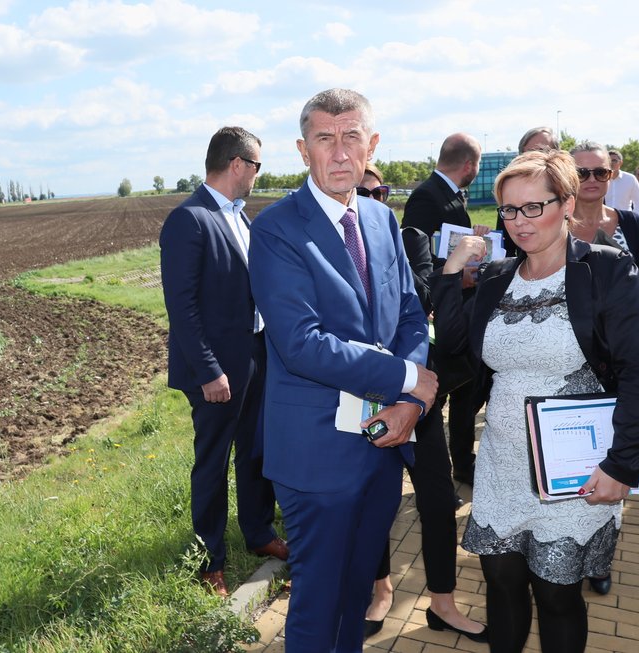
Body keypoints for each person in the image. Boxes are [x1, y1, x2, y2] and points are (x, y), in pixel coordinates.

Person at [430, 149, 639, 653]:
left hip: (576, 471)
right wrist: (450, 273)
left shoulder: (605, 272)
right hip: (501, 465)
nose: (519, 221)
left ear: (566, 202)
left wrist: (623, 464)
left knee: (557, 597)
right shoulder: (495, 278)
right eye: (510, 210)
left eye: (534, 206)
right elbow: (453, 346)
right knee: (502, 587)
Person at [248, 88, 438, 652]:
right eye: (324, 139)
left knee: (356, 593)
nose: (338, 152)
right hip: (316, 456)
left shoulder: (381, 218)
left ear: (371, 144)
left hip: (382, 443)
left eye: (350, 137)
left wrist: (409, 403)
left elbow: (408, 312)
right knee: (317, 599)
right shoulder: (277, 229)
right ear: (302, 150)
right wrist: (408, 380)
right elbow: (302, 345)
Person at [360, 164, 487, 642]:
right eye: (363, 191)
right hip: (365, 397)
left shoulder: (399, 238)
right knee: (376, 501)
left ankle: (443, 604)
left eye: (381, 190)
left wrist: (457, 269)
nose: (373, 196)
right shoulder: (328, 252)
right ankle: (381, 591)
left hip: (417, 393)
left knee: (436, 500)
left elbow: (422, 303)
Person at [159, 126, 287, 598]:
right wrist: (210, 370)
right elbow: (183, 308)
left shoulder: (241, 217)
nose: (257, 175)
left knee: (255, 453)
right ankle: (209, 559)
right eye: (257, 166)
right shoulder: (188, 220)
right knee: (212, 464)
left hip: (255, 357)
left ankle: (258, 534)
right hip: (216, 369)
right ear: (238, 164)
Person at [401, 133, 486, 487]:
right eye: (477, 167)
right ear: (468, 165)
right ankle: (434, 477)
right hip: (438, 316)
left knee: (465, 396)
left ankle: (462, 465)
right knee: (437, 400)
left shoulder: (448, 195)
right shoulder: (426, 196)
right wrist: (451, 280)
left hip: (457, 308)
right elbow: (416, 262)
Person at [569, 142, 639, 321]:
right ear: (568, 177)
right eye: (581, 173)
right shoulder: (554, 226)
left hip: (628, 337)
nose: (592, 179)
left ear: (610, 175)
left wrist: (632, 329)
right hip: (567, 341)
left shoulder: (633, 224)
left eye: (600, 172)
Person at [499, 126, 562, 257]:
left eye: (543, 151)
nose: (536, 157)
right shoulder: (510, 196)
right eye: (530, 153)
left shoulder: (574, 192)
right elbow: (507, 249)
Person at [603, 150, 639, 214]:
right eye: (608, 160)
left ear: (621, 163)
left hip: (626, 219)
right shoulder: (601, 179)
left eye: (614, 160)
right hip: (605, 220)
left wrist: (634, 219)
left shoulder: (630, 179)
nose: (611, 163)